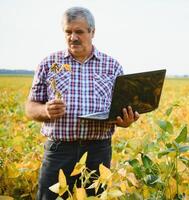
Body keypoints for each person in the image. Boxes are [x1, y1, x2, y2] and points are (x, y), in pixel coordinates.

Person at [25, 6, 139, 199]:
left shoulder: (112, 66)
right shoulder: (49, 63)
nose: (73, 37)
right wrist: (45, 110)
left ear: (92, 32)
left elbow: (122, 109)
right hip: (59, 151)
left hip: (98, 151)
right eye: (68, 32)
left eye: (79, 31)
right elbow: (30, 107)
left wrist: (126, 121)